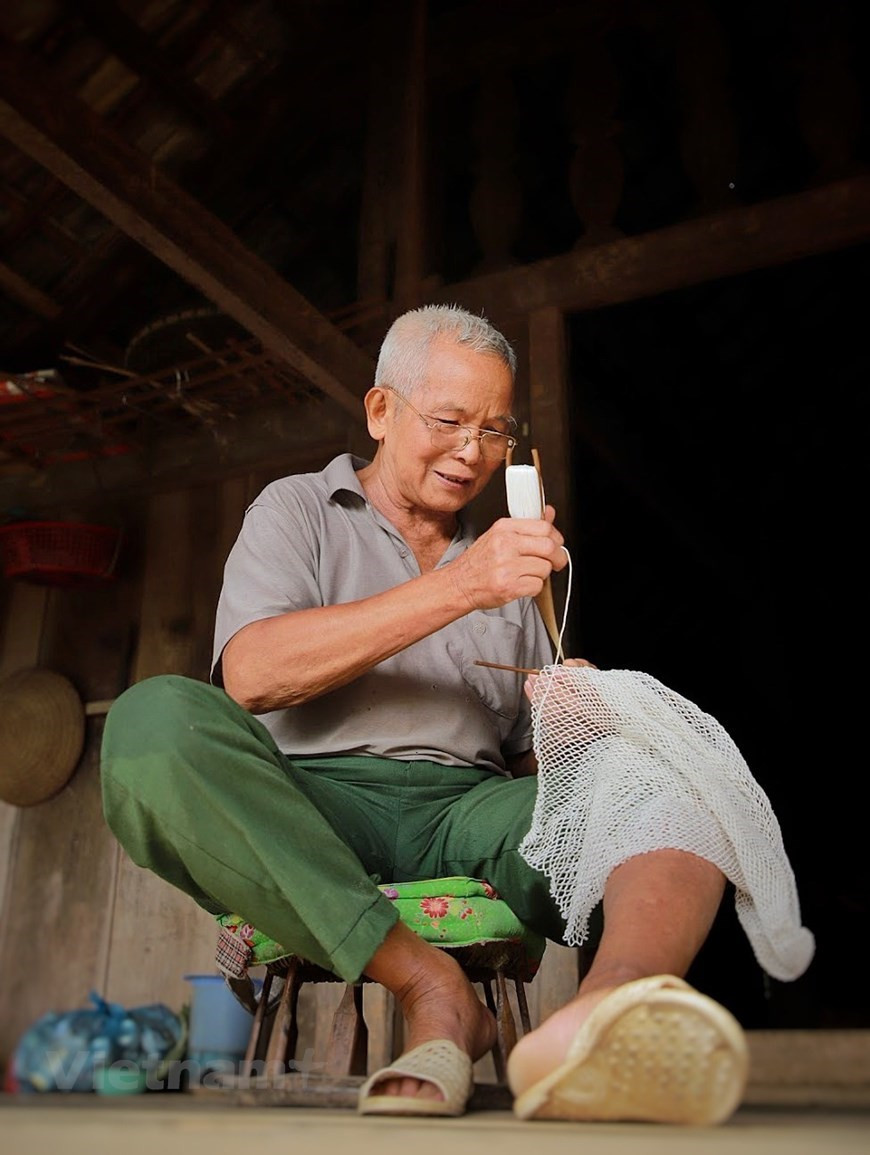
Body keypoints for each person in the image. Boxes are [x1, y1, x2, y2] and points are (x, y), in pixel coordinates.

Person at [101, 303, 752, 1126]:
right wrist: (464, 585)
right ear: (382, 411)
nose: (473, 451)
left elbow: (527, 766)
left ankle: (611, 1012)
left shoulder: (514, 565)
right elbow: (253, 676)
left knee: (670, 772)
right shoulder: (297, 509)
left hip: (467, 809)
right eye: (448, 421)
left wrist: (576, 727)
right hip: (311, 807)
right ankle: (431, 987)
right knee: (151, 724)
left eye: (494, 430)